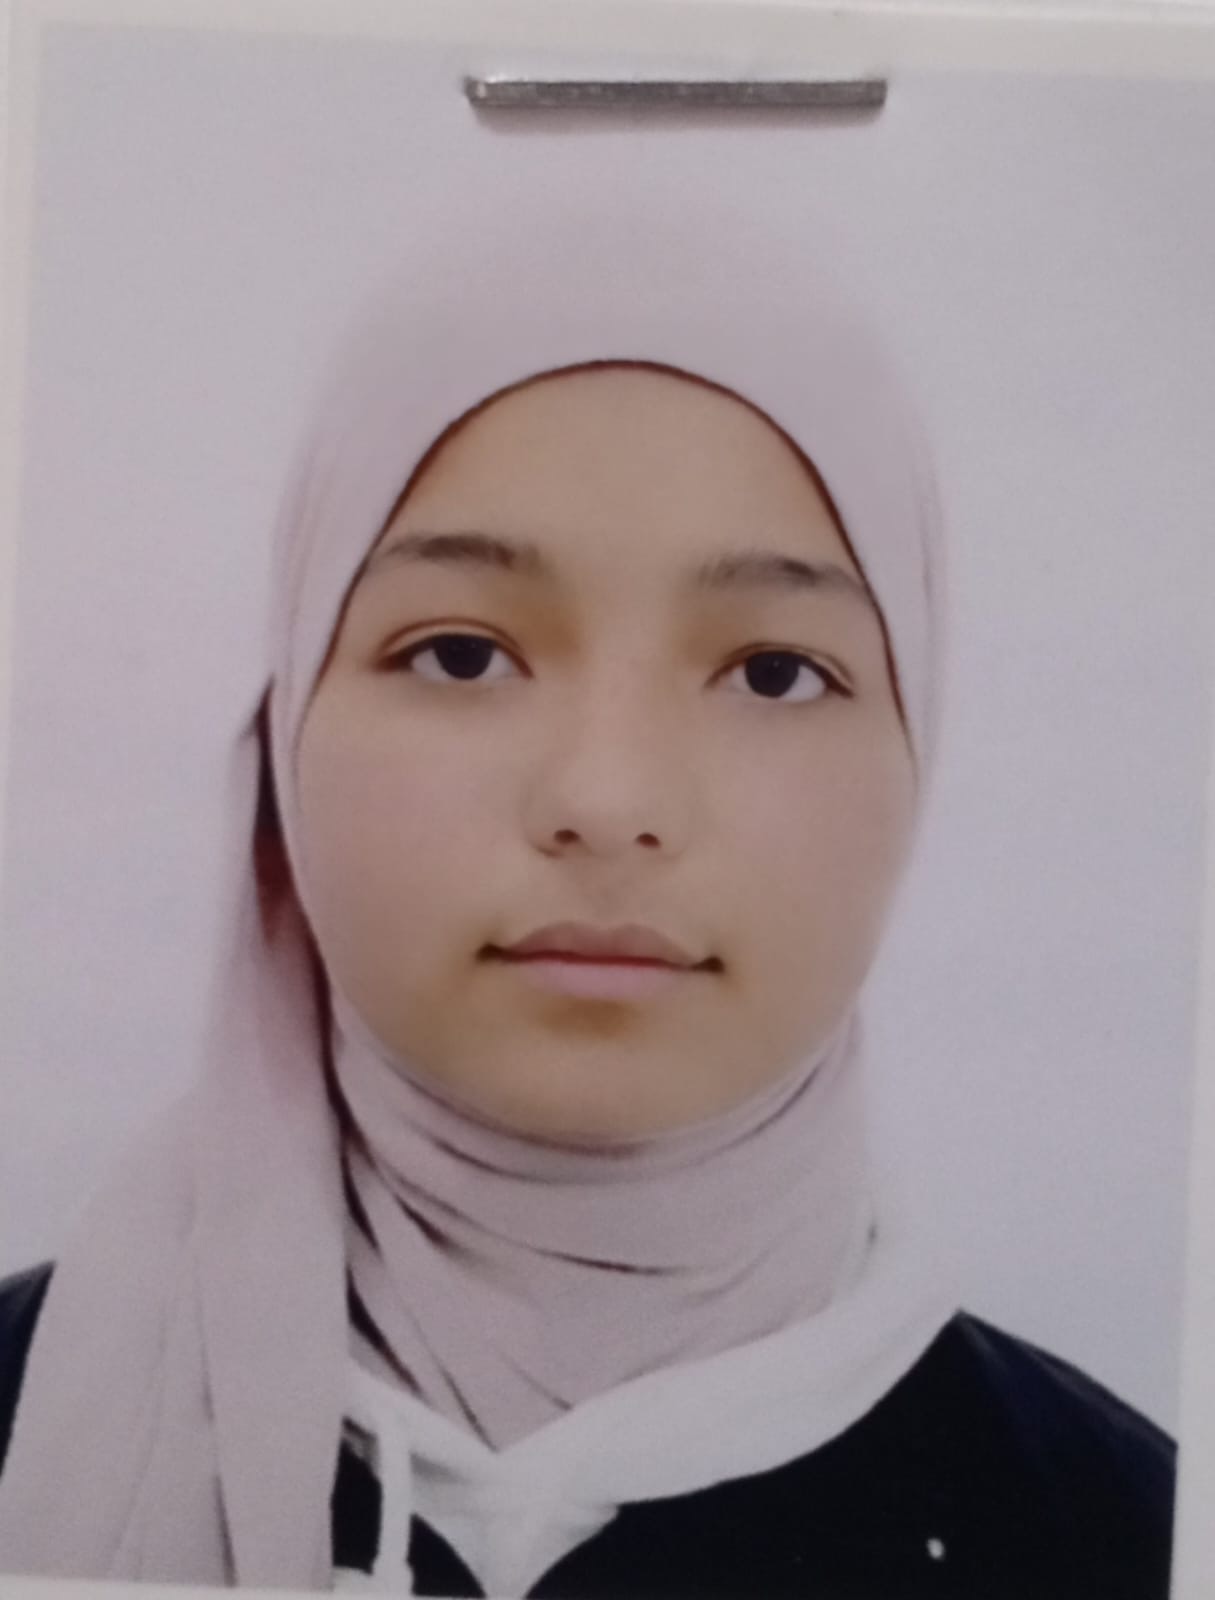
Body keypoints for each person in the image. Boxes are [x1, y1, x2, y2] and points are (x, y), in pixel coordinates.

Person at [0, 197, 1174, 1598]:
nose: (609, 799)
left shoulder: (1130, 1536)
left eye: (774, 672)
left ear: (918, 742)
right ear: (289, 727)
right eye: (460, 654)